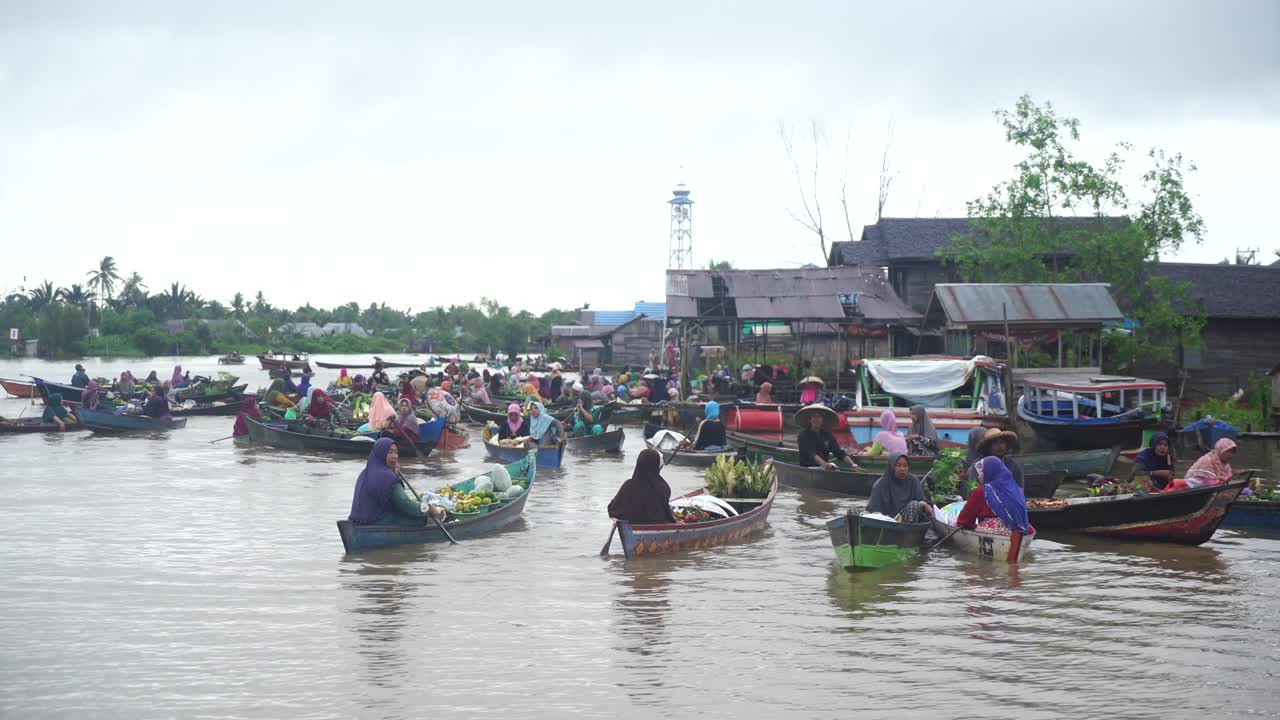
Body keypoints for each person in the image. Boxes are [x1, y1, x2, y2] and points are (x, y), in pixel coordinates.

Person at [347, 438, 445, 525]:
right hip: (376, 521)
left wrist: (394, 473)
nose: (395, 456)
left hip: (358, 519)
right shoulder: (388, 476)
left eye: (396, 452)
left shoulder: (364, 473)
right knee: (422, 519)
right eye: (390, 452)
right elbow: (406, 505)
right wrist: (430, 508)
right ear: (381, 454)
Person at [955, 456, 1032, 535]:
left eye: (981, 473)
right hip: (1020, 532)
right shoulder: (1016, 489)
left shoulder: (982, 491)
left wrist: (971, 526)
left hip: (994, 533)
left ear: (988, 472)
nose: (979, 477)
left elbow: (964, 520)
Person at [607, 448, 677, 525]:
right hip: (655, 526)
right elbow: (666, 515)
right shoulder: (663, 487)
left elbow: (612, 509)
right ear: (656, 465)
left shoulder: (628, 485)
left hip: (631, 525)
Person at [867, 454, 931, 523]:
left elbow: (920, 500)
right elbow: (874, 509)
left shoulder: (913, 480)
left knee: (915, 505)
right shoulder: (881, 484)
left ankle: (910, 530)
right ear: (891, 467)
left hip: (910, 519)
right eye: (898, 465)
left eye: (905, 465)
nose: (902, 469)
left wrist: (924, 504)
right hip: (886, 521)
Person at [796, 404, 857, 470]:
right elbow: (811, 454)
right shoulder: (803, 435)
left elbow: (838, 451)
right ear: (810, 420)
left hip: (824, 467)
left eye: (819, 417)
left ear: (822, 420)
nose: (816, 419)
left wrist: (853, 465)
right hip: (808, 468)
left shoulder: (827, 434)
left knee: (837, 470)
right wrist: (825, 464)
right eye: (814, 416)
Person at [1164, 438, 1237, 492]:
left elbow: (1228, 480)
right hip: (1186, 487)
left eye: (1232, 452)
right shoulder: (1208, 460)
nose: (1230, 454)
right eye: (1228, 451)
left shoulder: (1226, 465)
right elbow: (1210, 484)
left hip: (1204, 489)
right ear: (1220, 449)